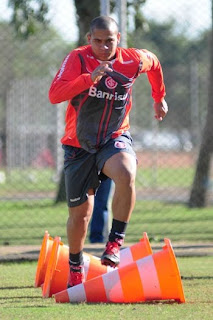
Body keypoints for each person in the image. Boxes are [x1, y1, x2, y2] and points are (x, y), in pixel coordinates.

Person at [49, 15, 168, 288]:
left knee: (126, 172)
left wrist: (158, 97)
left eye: (109, 41)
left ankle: (115, 241)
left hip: (113, 137)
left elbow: (156, 64)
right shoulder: (78, 58)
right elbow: (55, 94)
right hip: (78, 144)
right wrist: (86, 79)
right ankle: (76, 267)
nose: (103, 47)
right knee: (81, 214)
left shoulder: (133, 60)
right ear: (89, 39)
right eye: (98, 41)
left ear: (119, 40)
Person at [89, 178, 112, 243]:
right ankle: (96, 237)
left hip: (107, 173)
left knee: (101, 205)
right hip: (87, 170)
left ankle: (98, 238)